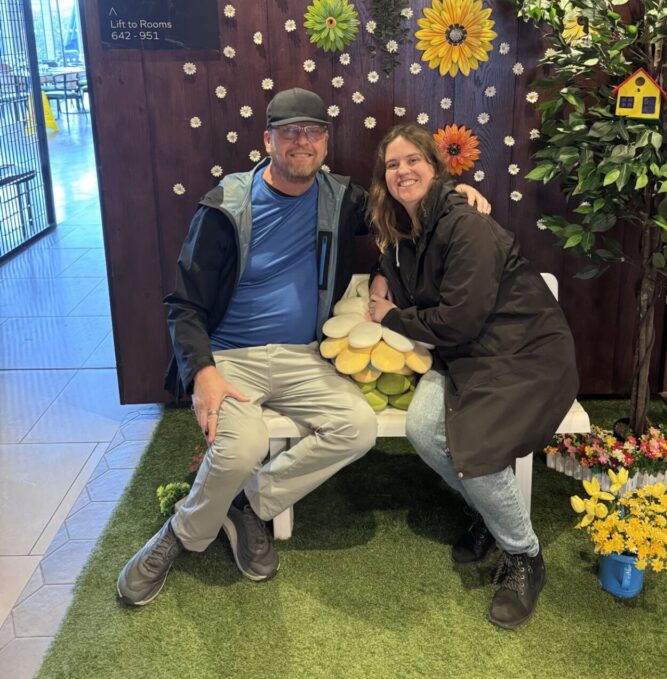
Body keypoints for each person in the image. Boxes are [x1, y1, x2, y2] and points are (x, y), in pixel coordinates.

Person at [118, 90, 488, 606]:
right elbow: (183, 304)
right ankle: (178, 535)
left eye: (313, 131)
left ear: (325, 143)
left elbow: (405, 214)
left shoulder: (341, 198)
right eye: (289, 131)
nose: (302, 141)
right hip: (231, 359)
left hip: (304, 357)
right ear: (267, 140)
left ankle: (247, 506)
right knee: (241, 448)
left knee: (356, 428)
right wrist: (202, 372)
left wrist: (453, 194)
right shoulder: (226, 204)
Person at [366, 123, 579, 630]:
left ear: (435, 168)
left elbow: (457, 321)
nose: (403, 171)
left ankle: (524, 555)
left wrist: (392, 318)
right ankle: (492, 517)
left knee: (476, 449)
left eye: (413, 160)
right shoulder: (403, 233)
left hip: (523, 353)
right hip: (464, 356)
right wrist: (379, 284)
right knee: (423, 430)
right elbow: (403, 283)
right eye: (393, 165)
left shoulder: (467, 226)